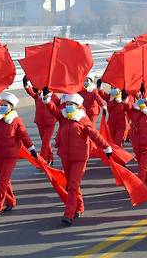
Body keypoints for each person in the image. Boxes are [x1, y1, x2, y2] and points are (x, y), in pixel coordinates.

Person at [43, 89, 112, 225]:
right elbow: (53, 110)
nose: (68, 106)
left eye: (71, 104)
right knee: (71, 185)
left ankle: (69, 214)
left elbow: (95, 135)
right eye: (66, 103)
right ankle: (79, 206)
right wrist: (47, 100)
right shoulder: (63, 117)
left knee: (73, 185)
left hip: (80, 157)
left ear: (77, 105)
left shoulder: (82, 119)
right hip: (65, 156)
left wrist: (106, 147)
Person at [23, 76, 59, 166]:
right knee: (44, 141)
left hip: (50, 123)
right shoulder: (38, 96)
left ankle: (41, 160)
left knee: (45, 141)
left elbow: (59, 106)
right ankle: (50, 158)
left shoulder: (53, 96)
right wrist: (26, 83)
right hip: (40, 121)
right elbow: (30, 92)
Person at [127, 85, 147, 189]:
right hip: (136, 141)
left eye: (143, 98)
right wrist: (124, 97)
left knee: (142, 165)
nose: (141, 99)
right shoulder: (134, 109)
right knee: (141, 163)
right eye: (140, 97)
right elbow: (127, 108)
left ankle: (139, 186)